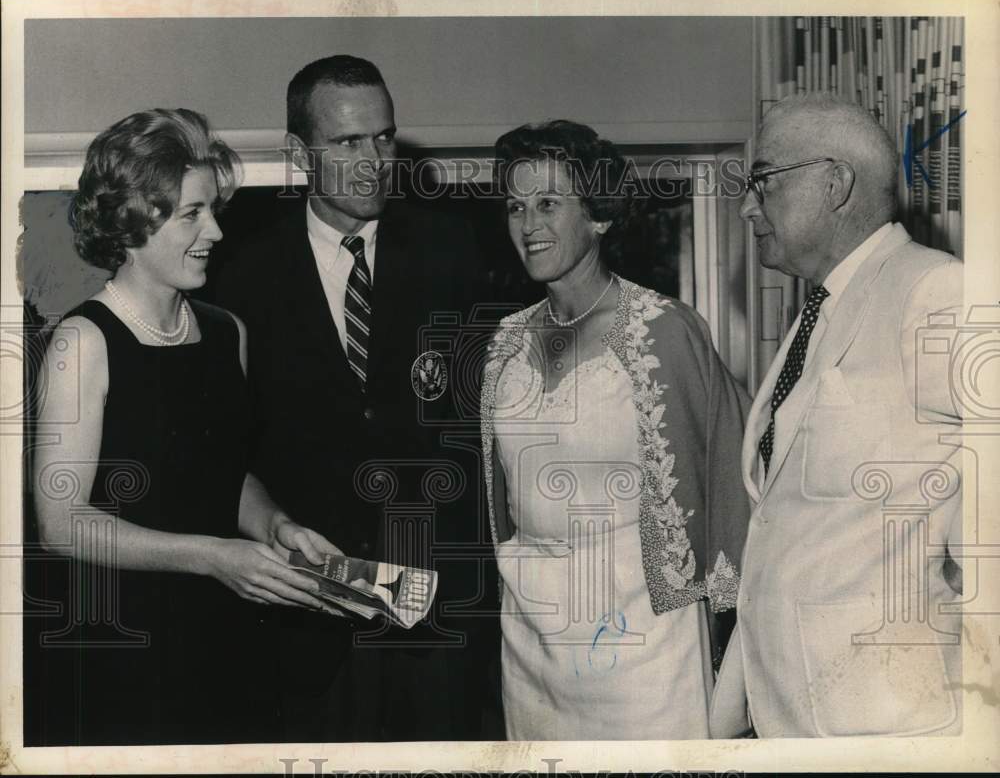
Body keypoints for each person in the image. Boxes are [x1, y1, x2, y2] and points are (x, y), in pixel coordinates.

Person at [25, 109, 338, 746]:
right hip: (122, 644)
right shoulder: (83, 342)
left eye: (212, 209)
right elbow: (61, 525)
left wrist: (277, 525)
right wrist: (211, 555)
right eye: (191, 214)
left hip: (225, 633)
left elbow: (225, 473)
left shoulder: (227, 333)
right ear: (131, 222)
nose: (217, 232)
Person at [215, 55, 498, 741]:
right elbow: (224, 452)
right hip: (301, 623)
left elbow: (488, 431)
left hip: (437, 622)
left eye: (384, 138)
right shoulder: (237, 275)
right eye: (348, 142)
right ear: (297, 153)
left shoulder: (457, 252)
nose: (374, 159)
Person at [482, 120, 751, 739]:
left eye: (549, 203)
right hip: (531, 639)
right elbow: (500, 498)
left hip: (640, 641)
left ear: (599, 215)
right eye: (516, 206)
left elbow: (727, 471)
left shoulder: (664, 329)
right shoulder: (504, 344)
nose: (527, 225)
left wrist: (723, 624)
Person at [709, 93, 964, 738]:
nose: (745, 206)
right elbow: (780, 530)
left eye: (761, 181)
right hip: (788, 717)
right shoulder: (815, 314)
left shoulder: (937, 291)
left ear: (835, 183)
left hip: (886, 725)